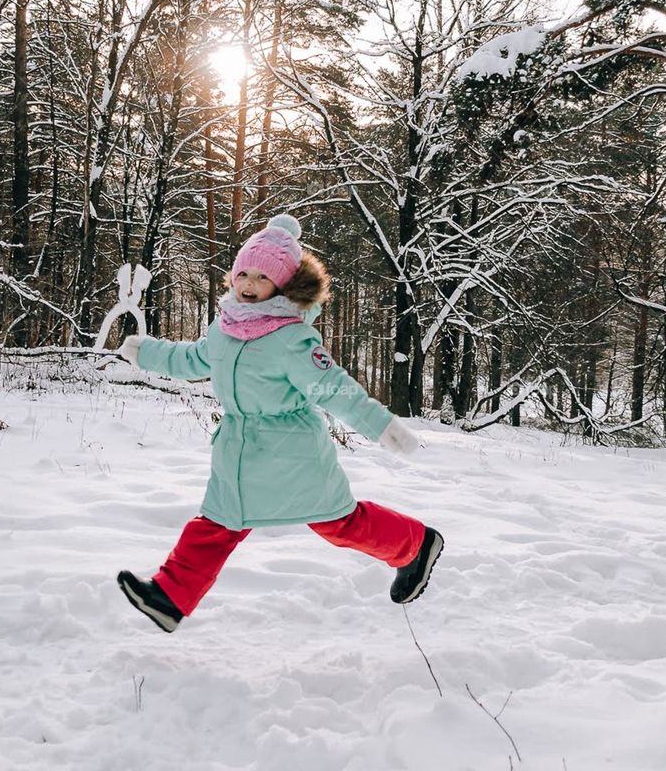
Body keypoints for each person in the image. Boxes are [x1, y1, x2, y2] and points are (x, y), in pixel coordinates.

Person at [115, 214, 443, 632]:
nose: (249, 284)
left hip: (293, 452)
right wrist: (148, 353)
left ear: (283, 285)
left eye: (262, 277)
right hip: (239, 450)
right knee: (216, 525)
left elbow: (332, 387)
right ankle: (169, 597)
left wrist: (381, 425)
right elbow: (193, 358)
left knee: (338, 522)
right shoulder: (225, 327)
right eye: (243, 274)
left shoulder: (291, 338)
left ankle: (416, 546)